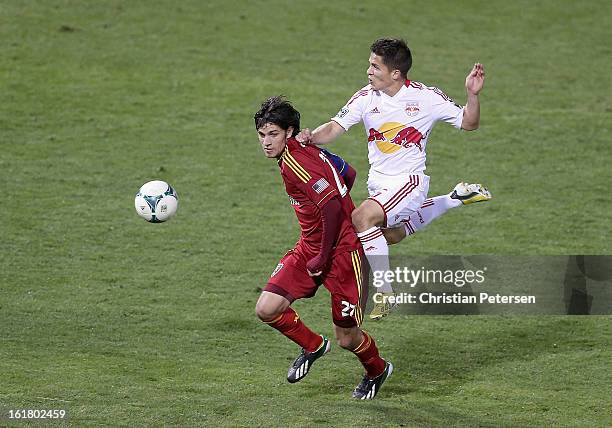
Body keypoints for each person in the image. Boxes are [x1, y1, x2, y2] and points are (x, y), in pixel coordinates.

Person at [297, 38, 491, 319]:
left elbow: (468, 123)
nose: (369, 71)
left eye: (375, 66)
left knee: (362, 218)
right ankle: (454, 198)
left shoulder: (426, 97)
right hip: (379, 184)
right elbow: (335, 127)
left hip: (409, 182)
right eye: (369, 64)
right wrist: (312, 137)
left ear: (395, 73)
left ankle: (385, 295)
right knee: (387, 237)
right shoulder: (365, 97)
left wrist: (472, 95)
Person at [253, 96, 392, 400]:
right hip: (311, 247)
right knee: (267, 308)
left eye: (273, 134)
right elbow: (349, 173)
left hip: (342, 255)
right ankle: (313, 345)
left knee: (348, 338)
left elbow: (329, 206)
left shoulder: (294, 162)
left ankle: (377, 369)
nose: (265, 142)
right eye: (262, 134)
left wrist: (322, 253)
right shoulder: (308, 150)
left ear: (290, 132)